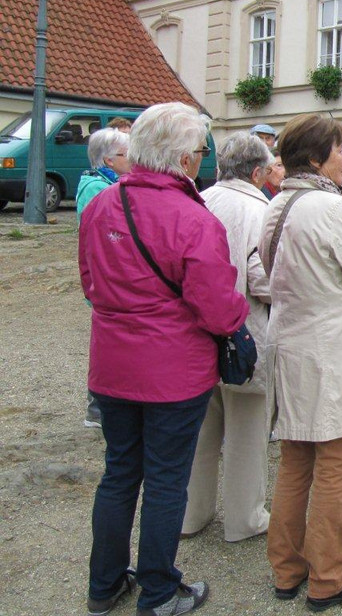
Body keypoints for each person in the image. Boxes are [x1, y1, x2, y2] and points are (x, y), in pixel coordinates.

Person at [79, 102, 248, 616]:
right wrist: (240, 312)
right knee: (166, 479)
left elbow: (90, 283)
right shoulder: (193, 218)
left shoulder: (101, 206)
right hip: (173, 372)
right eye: (200, 151)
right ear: (182, 159)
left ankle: (105, 584)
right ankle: (158, 592)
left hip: (113, 365)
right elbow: (218, 309)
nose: (202, 159)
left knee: (119, 473)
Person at [259, 114, 342, 608]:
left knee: (295, 464)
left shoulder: (278, 205)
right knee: (334, 468)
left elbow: (269, 273)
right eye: (340, 150)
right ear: (316, 157)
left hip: (292, 346)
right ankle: (328, 578)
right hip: (330, 352)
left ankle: (287, 569)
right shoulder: (329, 208)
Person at [182, 134, 274, 543]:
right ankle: (244, 519)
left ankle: (191, 514)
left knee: (201, 432)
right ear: (256, 172)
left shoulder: (199, 200)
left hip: (197, 334)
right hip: (245, 333)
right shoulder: (260, 209)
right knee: (247, 435)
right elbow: (262, 278)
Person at [76, 127, 131, 429]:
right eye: (126, 155)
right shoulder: (96, 189)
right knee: (107, 346)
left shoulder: (108, 183)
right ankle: (96, 409)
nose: (132, 160)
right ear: (109, 160)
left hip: (106, 278)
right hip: (105, 279)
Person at [76, 127, 130, 224]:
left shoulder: (112, 180)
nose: (134, 159)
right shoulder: (96, 187)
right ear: (109, 160)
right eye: (128, 154)